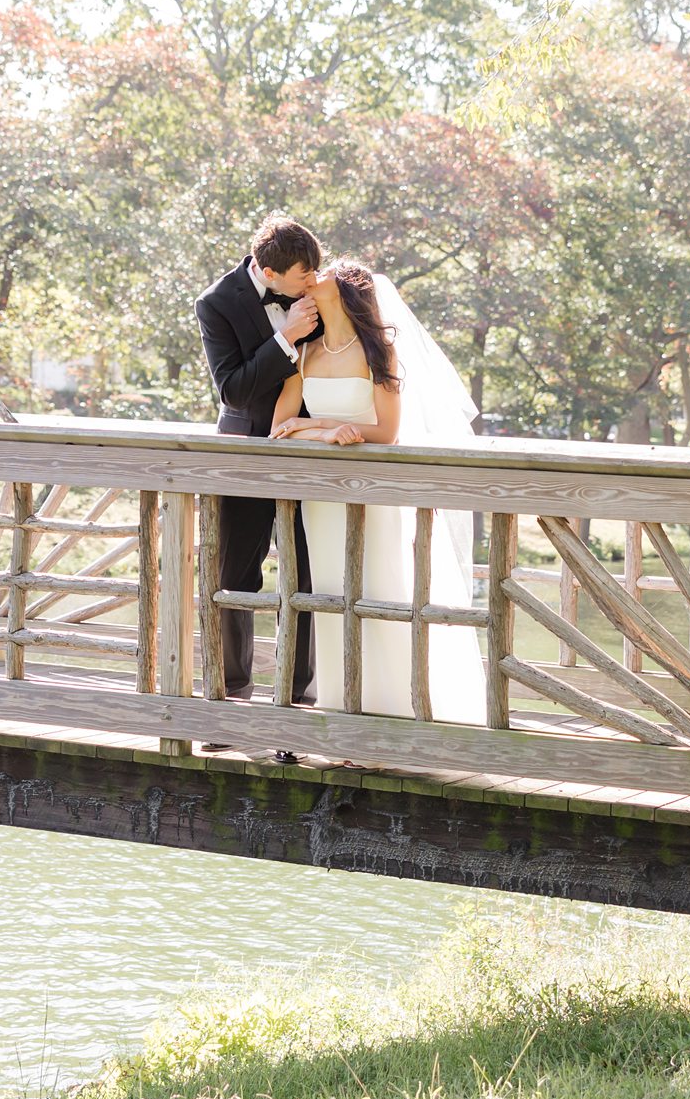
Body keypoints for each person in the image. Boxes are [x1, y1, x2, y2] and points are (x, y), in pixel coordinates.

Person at [269, 259, 489, 722]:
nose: (312, 276)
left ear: (347, 291)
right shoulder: (304, 355)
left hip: (373, 496)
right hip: (322, 501)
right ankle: (340, 713)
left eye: (322, 272)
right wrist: (322, 430)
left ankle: (396, 715)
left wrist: (322, 425)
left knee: (381, 593)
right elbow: (279, 428)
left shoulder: (379, 351)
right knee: (331, 598)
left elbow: (386, 431)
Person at [193, 213, 322, 705]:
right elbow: (235, 391)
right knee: (234, 576)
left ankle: (297, 697)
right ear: (270, 274)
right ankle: (230, 696)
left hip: (310, 451)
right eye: (301, 276)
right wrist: (286, 336)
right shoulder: (216, 304)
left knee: (307, 578)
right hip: (244, 451)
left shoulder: (316, 291)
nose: (311, 283)